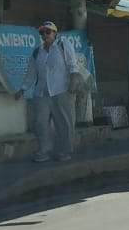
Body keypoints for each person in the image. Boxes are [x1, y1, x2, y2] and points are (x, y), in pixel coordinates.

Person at [15, 21, 80, 162]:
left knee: (63, 123)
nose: (45, 35)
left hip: (61, 91)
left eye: (48, 31)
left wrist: (74, 82)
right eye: (42, 32)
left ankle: (65, 151)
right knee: (40, 122)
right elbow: (31, 73)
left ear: (55, 33)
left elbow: (72, 66)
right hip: (41, 93)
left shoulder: (63, 45)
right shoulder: (37, 51)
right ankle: (44, 150)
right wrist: (23, 88)